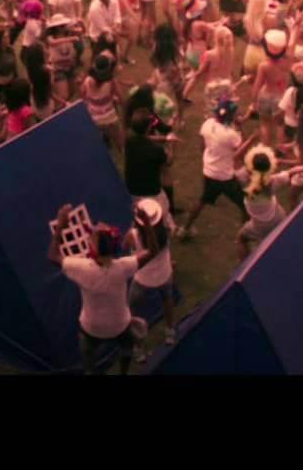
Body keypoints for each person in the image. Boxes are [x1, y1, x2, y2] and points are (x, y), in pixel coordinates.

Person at [51, 208, 160, 375]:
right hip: (120, 325)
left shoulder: (80, 268)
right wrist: (147, 224)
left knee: (88, 362)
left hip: (91, 328)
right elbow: (153, 251)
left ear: (93, 249)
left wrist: (60, 224)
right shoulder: (123, 267)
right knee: (126, 349)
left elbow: (53, 256)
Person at [184, 99, 248, 238]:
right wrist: (241, 127)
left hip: (209, 172)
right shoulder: (231, 134)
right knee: (245, 203)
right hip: (225, 177)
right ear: (230, 116)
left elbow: (202, 146)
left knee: (203, 201)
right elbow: (241, 150)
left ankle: (185, 228)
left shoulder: (207, 124)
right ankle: (246, 234)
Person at [129, 198, 179, 346]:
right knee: (167, 300)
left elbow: (125, 245)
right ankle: (170, 331)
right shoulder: (166, 230)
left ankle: (135, 343)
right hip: (165, 274)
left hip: (142, 279)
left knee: (132, 309)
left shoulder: (133, 235)